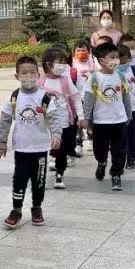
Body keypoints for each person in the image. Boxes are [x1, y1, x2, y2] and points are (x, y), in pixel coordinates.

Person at [0, 56, 65, 227]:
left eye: (32, 72)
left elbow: (55, 118)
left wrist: (56, 135)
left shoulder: (45, 97)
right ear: (17, 76)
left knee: (39, 181)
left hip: (40, 148)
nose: (29, 76)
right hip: (21, 148)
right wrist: (1, 142)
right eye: (24, 73)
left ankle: (37, 207)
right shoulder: (13, 97)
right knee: (19, 179)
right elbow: (5, 121)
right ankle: (16, 210)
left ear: (38, 75)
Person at [82, 42, 132, 190]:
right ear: (101, 60)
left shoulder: (121, 76)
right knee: (100, 150)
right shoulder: (94, 78)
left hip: (119, 120)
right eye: (112, 57)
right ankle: (102, 162)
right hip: (100, 122)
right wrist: (86, 118)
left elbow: (126, 97)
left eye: (117, 57)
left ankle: (116, 174)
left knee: (120, 150)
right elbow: (88, 100)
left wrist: (128, 115)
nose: (116, 60)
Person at [38, 47, 83, 189]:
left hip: (63, 121)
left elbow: (76, 97)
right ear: (48, 64)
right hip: (45, 124)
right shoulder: (40, 82)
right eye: (60, 62)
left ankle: (59, 173)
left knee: (62, 149)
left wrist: (81, 116)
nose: (63, 66)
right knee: (44, 150)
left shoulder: (65, 80)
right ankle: (40, 175)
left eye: (65, 62)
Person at [72, 38, 97, 156]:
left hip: (91, 96)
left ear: (89, 51)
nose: (81, 52)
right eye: (78, 50)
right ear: (74, 52)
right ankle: (78, 143)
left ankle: (91, 139)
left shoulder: (93, 63)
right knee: (79, 120)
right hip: (77, 97)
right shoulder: (72, 64)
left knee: (91, 119)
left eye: (83, 50)